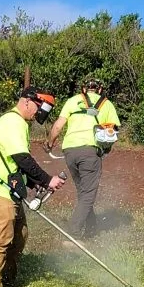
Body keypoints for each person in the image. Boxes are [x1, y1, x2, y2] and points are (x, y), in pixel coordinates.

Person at [0, 87, 66, 287]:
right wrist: (46, 179)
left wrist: (36, 183)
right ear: (26, 102)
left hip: (9, 192)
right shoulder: (12, 121)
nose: (38, 114)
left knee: (20, 236)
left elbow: (17, 164)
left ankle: (7, 280)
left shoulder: (19, 124)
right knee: (0, 240)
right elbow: (22, 158)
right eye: (37, 108)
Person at [46, 78, 121, 240]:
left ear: (84, 89)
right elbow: (113, 132)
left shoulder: (73, 100)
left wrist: (50, 143)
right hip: (90, 151)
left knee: (83, 191)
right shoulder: (107, 104)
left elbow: (58, 126)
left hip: (70, 150)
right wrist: (105, 150)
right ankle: (72, 233)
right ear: (100, 90)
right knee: (88, 194)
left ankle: (91, 228)